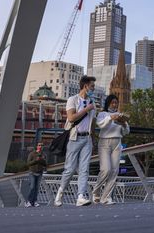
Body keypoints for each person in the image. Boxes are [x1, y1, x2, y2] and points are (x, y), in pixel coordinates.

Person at [54, 75, 97, 207]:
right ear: (85, 86)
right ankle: (60, 192)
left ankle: (80, 196)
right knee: (70, 169)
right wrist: (86, 109)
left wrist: (93, 138)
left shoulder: (92, 102)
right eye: (92, 86)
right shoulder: (73, 100)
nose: (93, 89)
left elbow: (93, 123)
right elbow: (71, 118)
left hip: (87, 138)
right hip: (74, 138)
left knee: (84, 169)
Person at [91, 95, 130, 205]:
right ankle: (96, 192)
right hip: (104, 142)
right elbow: (100, 125)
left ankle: (106, 198)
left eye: (116, 102)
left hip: (117, 142)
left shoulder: (120, 115)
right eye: (113, 102)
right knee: (105, 169)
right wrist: (110, 118)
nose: (115, 104)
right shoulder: (103, 114)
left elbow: (126, 132)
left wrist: (123, 124)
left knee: (114, 171)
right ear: (108, 103)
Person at [26, 142, 47, 207]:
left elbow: (45, 164)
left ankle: (34, 201)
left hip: (39, 173)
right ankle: (28, 201)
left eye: (42, 145)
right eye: (39, 145)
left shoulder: (44, 154)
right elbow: (28, 163)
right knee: (32, 187)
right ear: (37, 146)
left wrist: (41, 160)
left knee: (37, 188)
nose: (40, 146)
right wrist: (36, 160)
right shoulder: (32, 154)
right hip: (32, 172)